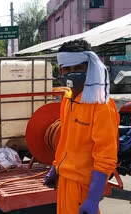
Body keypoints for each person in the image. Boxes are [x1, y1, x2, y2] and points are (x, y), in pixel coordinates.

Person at [44, 40, 119, 214]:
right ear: (61, 70)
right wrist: (56, 167)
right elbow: (67, 139)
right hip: (65, 181)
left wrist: (93, 198)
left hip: (83, 186)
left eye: (78, 68)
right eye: (67, 69)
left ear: (89, 69)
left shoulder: (101, 105)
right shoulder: (68, 98)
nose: (72, 74)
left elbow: (106, 156)